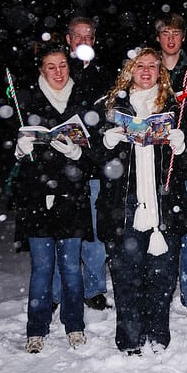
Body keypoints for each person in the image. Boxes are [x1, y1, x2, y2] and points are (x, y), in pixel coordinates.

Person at [94, 47, 187, 354]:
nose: (146, 71)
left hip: (164, 205)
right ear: (130, 70)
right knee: (127, 276)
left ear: (160, 73)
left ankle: (157, 335)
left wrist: (181, 147)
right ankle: (130, 339)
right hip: (123, 206)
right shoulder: (111, 107)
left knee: (162, 276)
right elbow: (92, 160)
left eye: (153, 67)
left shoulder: (175, 109)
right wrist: (106, 143)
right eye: (140, 65)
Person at [12, 42, 91, 353]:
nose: (58, 72)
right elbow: (12, 146)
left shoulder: (79, 98)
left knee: (72, 268)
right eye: (51, 67)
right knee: (42, 267)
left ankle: (74, 325)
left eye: (62, 65)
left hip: (71, 196)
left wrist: (76, 151)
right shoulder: (27, 100)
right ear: (41, 70)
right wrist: (20, 149)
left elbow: (91, 151)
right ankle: (37, 327)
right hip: (36, 197)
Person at [154, 12, 187, 316]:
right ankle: (162, 287)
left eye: (176, 33)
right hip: (159, 161)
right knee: (162, 227)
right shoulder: (150, 67)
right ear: (158, 38)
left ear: (183, 37)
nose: (171, 39)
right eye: (165, 33)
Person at [59, 16, 112, 312]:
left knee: (93, 229)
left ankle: (95, 289)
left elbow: (109, 115)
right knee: (63, 231)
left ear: (94, 40)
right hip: (60, 168)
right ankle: (58, 291)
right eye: (77, 36)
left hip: (92, 165)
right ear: (68, 40)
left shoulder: (104, 75)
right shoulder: (58, 70)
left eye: (88, 36)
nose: (82, 41)